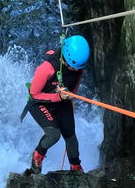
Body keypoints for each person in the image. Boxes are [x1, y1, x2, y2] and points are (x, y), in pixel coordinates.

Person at [26, 35, 90, 173]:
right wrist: (59, 96)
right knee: (54, 135)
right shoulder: (46, 69)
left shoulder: (78, 68)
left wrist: (68, 96)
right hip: (39, 102)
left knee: (71, 136)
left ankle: (75, 166)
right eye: (74, 67)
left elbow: (74, 87)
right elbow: (34, 94)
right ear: (66, 60)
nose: (77, 70)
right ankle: (37, 157)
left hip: (61, 100)